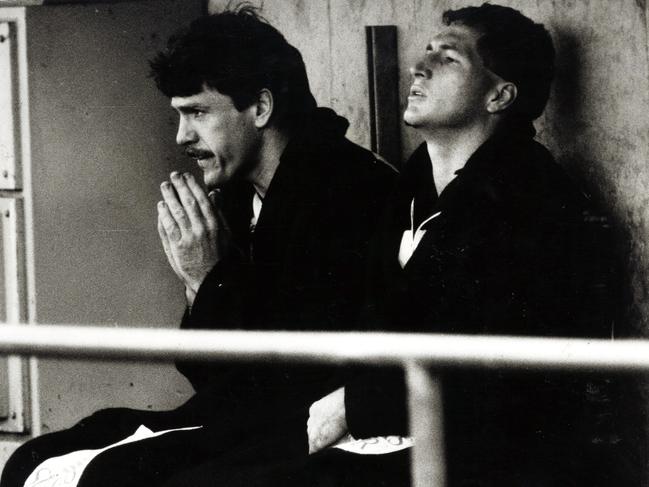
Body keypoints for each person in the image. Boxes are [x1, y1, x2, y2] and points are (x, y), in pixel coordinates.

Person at [0, 7, 395, 487]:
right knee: (32, 458)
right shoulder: (236, 192)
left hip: (304, 428)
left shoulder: (346, 191)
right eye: (179, 115)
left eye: (198, 113)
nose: (182, 136)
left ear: (262, 108)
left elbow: (291, 381)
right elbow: (205, 371)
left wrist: (211, 278)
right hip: (238, 413)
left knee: (110, 476)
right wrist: (198, 283)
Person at [302, 3, 635, 486]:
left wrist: (359, 404)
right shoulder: (411, 185)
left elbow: (502, 380)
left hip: (490, 459)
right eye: (427, 52)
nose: (419, 67)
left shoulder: (535, 202)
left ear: (499, 95)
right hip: (384, 433)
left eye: (449, 59)